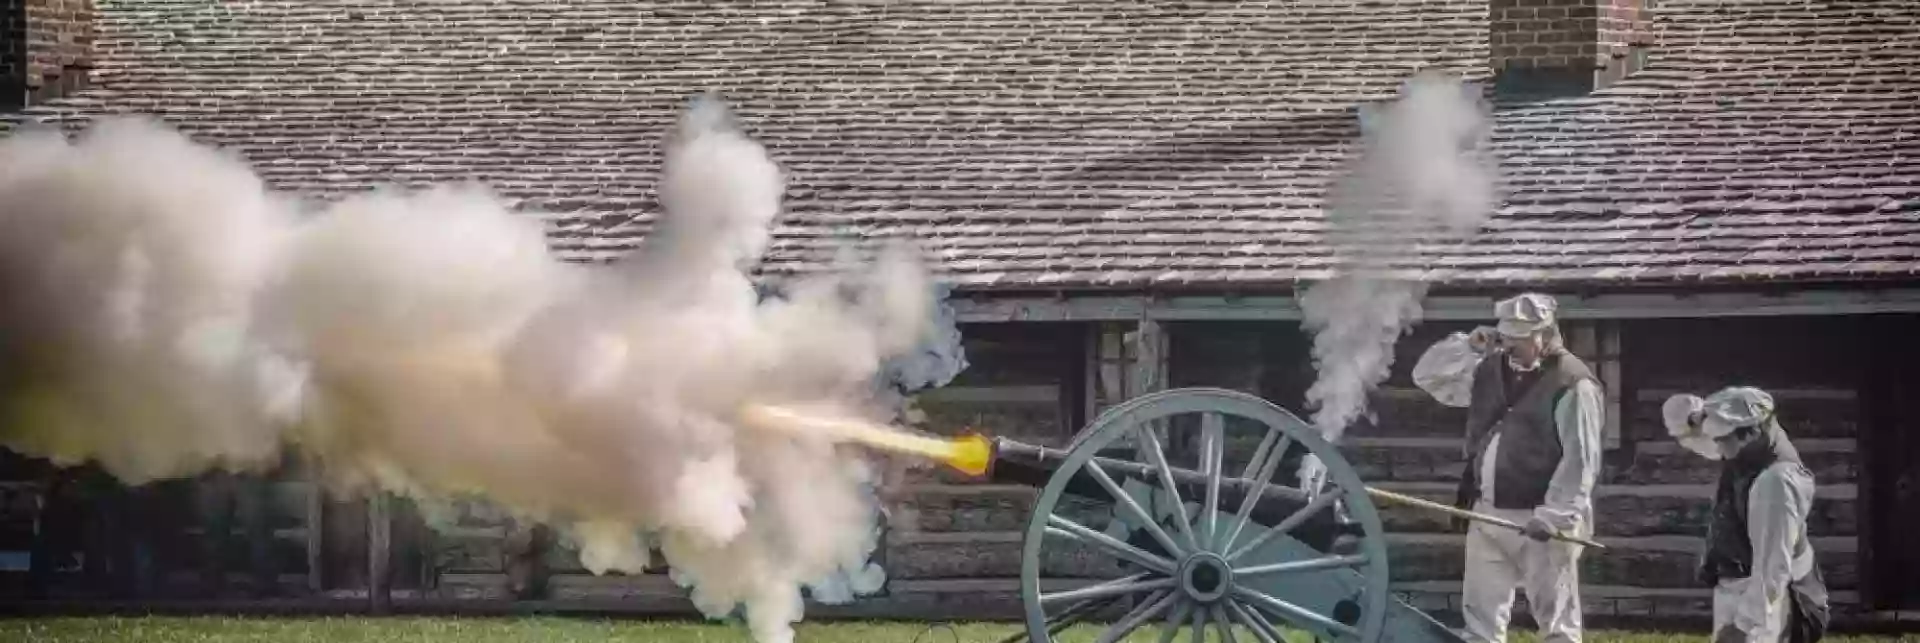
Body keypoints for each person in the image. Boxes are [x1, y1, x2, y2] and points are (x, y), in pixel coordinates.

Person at [1412, 292, 1604, 643]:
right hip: (1486, 513)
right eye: (1507, 336)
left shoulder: (1574, 384)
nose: (1510, 346)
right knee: (1480, 622)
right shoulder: (1488, 367)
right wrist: (1469, 346)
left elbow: (1581, 459)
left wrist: (1553, 516)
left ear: (1545, 335)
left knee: (1557, 623)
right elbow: (1428, 377)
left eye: (1520, 338)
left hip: (1541, 518)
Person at [1663, 387, 1829, 643]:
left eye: (1722, 438)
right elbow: (1685, 423)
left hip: (1773, 600)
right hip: (1739, 585)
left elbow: (1773, 566)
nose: (1716, 444)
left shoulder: (1777, 482)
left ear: (1751, 433)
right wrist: (1695, 418)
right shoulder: (1745, 450)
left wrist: (1743, 626)